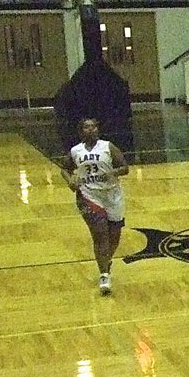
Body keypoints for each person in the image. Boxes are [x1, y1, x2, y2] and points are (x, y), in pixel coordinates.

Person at [62, 116, 130, 295]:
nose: (90, 130)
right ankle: (104, 275)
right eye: (86, 127)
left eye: (93, 127)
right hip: (89, 196)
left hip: (112, 195)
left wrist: (113, 172)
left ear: (98, 130)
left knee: (113, 237)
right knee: (100, 235)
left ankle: (106, 260)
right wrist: (70, 181)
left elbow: (125, 167)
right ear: (80, 131)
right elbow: (64, 168)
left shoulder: (108, 147)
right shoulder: (76, 151)